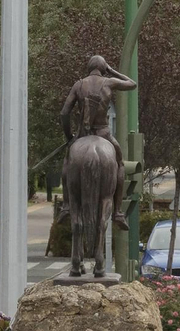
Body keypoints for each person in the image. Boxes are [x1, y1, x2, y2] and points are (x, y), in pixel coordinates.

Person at [59, 55, 138, 226]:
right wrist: (111, 70)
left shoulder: (79, 85)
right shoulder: (109, 82)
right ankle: (117, 212)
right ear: (103, 69)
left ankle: (66, 206)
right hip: (104, 134)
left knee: (67, 161)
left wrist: (69, 138)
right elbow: (132, 83)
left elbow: (64, 113)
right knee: (120, 163)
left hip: (82, 134)